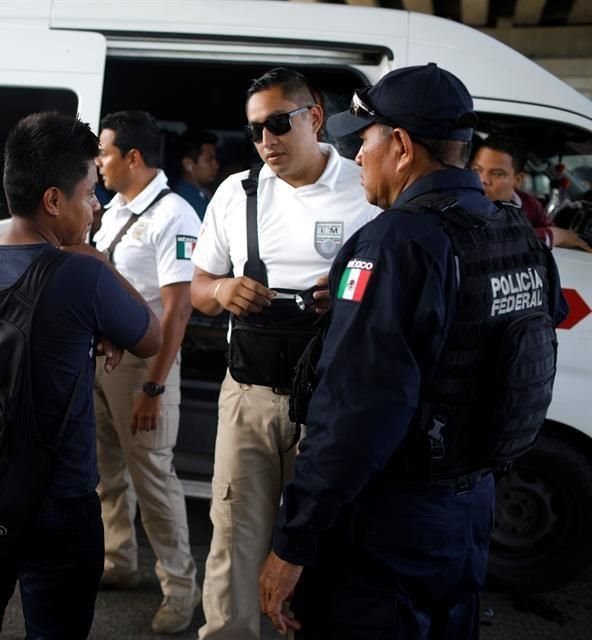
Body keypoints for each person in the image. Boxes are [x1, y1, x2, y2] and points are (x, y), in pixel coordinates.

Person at [260, 63, 568, 638]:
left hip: (387, 526)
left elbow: (353, 416)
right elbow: (524, 329)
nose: (356, 157)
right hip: (471, 509)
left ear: (400, 145)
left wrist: (293, 542)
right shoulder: (514, 231)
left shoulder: (394, 242)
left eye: (365, 140)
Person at [0, 111, 162, 640]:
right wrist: (95, 262)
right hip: (57, 501)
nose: (95, 206)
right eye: (88, 193)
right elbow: (150, 336)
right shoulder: (82, 272)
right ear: (52, 201)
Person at [189, 67, 378, 640]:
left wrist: (343, 294)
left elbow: (392, 286)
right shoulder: (236, 193)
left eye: (277, 123)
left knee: (322, 544)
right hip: (249, 397)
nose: (266, 140)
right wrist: (222, 291)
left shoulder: (365, 189)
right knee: (234, 538)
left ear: (313, 117)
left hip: (331, 403)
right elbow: (199, 285)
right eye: (254, 130)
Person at [92, 110, 202, 634]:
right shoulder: (113, 208)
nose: (98, 162)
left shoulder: (173, 214)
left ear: (132, 158)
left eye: (105, 152)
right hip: (104, 359)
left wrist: (155, 387)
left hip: (145, 365)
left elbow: (178, 311)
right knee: (108, 471)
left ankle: (180, 589)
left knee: (154, 478)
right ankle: (119, 560)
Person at [470, 134, 592, 251]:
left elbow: (549, 229)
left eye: (497, 174)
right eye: (476, 170)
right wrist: (553, 235)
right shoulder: (462, 203)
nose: (482, 180)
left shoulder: (530, 205)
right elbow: (491, 241)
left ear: (517, 180)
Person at [172, 129, 220, 219]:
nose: (216, 165)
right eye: (209, 160)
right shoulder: (186, 199)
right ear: (188, 164)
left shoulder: (201, 193)